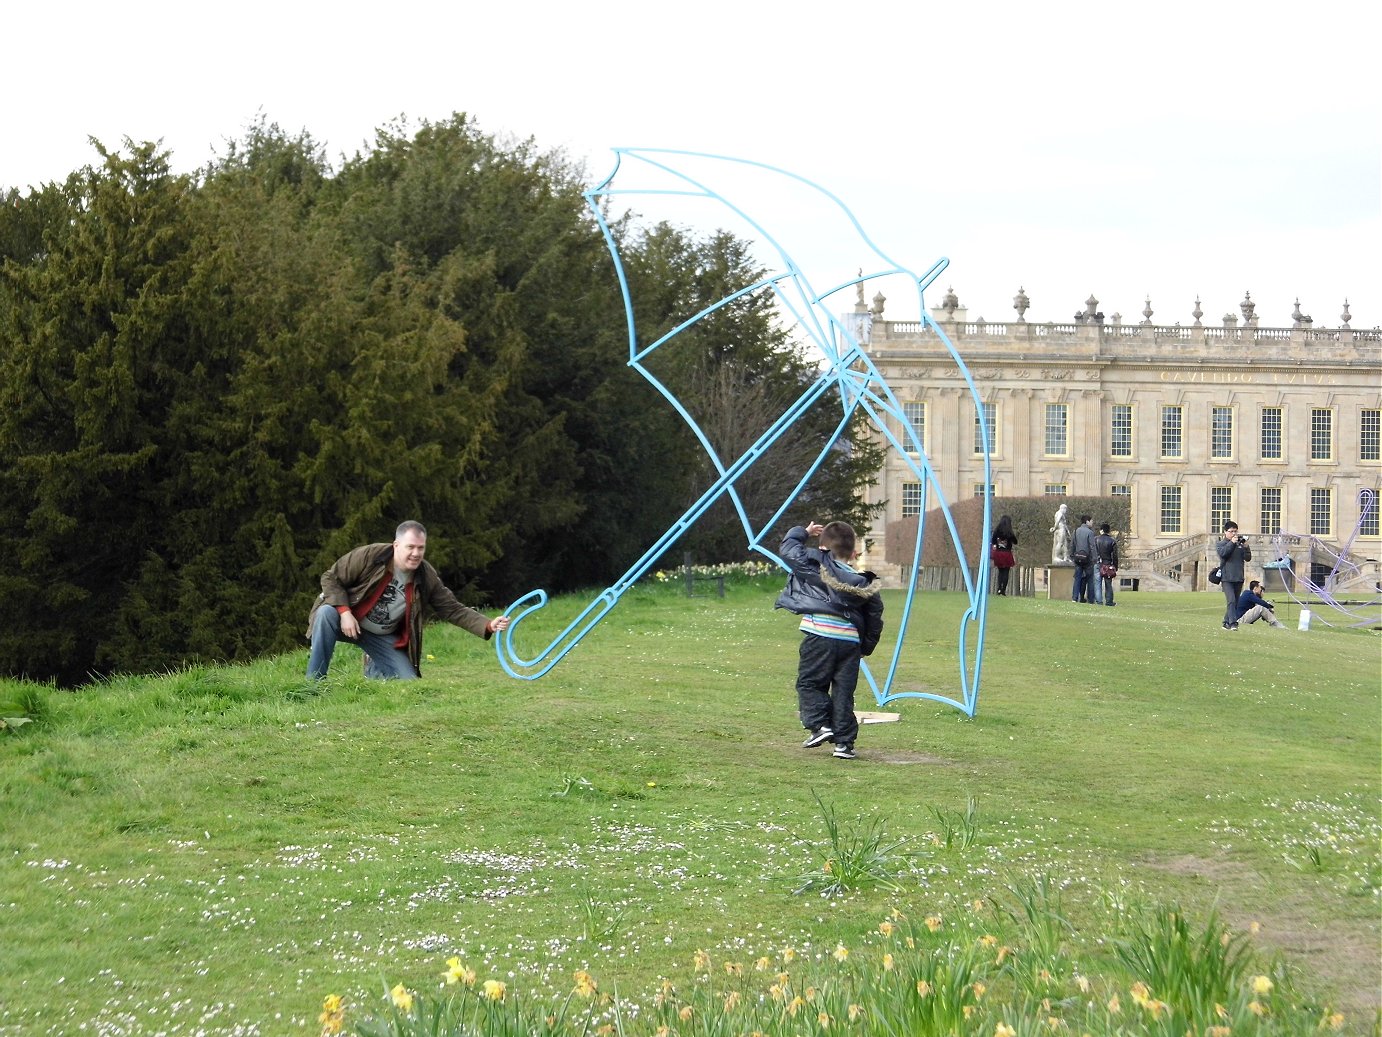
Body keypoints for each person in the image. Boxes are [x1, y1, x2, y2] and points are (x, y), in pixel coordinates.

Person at [305, 520, 510, 680]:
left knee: (408, 683)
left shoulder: (425, 575)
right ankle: (315, 683)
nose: (416, 553)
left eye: (421, 548)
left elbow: (452, 609)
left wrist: (488, 624)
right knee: (325, 613)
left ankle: (374, 665)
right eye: (410, 547)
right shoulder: (370, 555)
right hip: (350, 622)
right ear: (396, 545)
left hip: (382, 637)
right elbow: (330, 577)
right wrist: (345, 612)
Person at [775, 520, 884, 761]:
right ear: (854, 554)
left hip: (819, 637)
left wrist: (803, 532)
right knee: (844, 693)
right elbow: (875, 617)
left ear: (822, 549)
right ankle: (844, 745)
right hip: (850, 644)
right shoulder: (864, 583)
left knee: (810, 684)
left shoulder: (815, 567)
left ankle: (820, 726)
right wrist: (865, 647)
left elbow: (789, 549)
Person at [1215, 519, 1252, 630]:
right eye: (1231, 531)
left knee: (1235, 602)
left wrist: (1246, 547)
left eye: (1235, 531)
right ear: (1225, 532)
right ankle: (1233, 623)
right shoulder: (1221, 544)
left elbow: (1248, 558)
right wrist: (1232, 543)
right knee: (1231, 600)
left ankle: (1226, 622)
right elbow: (1223, 553)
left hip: (1238, 577)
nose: (1234, 534)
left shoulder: (1240, 544)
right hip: (1227, 577)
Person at [1071, 515, 1097, 604]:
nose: (1092, 523)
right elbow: (1092, 546)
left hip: (1078, 558)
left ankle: (1074, 597)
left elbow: (1073, 544)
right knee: (1090, 579)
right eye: (1091, 521)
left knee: (1077, 578)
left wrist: (1072, 556)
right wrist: (1094, 558)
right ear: (1087, 521)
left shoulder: (1075, 531)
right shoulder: (1090, 532)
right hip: (1088, 559)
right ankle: (1090, 599)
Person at [990, 515, 1018, 596]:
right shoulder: (1009, 532)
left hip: (998, 553)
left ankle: (999, 588)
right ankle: (1003, 590)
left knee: (1000, 572)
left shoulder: (997, 531)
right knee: (1006, 572)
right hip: (1007, 553)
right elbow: (1015, 541)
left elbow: (993, 541)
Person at [1094, 522, 1119, 607]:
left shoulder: (1095, 539)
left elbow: (1093, 552)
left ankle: (1099, 601)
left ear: (1101, 530)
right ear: (1109, 531)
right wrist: (1115, 566)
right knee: (1108, 584)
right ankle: (1109, 601)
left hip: (1098, 563)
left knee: (1098, 583)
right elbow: (1115, 555)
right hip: (1108, 564)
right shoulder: (1112, 541)